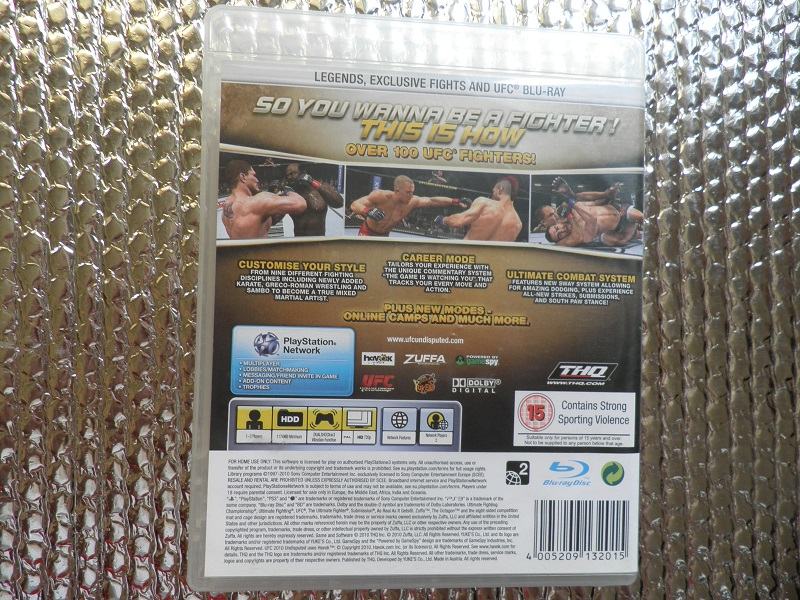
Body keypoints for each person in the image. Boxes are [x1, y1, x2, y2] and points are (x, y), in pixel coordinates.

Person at [349, 175, 467, 236]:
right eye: (408, 192)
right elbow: (354, 205)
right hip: (367, 231)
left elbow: (432, 201)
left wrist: (455, 201)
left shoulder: (412, 202)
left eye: (412, 192)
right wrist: (368, 211)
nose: (411, 195)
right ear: (397, 190)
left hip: (384, 235)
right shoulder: (381, 195)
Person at [543, 177, 643, 247]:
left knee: (641, 217)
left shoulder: (571, 211)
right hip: (620, 229)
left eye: (557, 228)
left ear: (558, 223)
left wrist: (609, 194)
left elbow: (596, 202)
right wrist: (572, 201)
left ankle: (635, 231)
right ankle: (634, 233)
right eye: (559, 235)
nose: (562, 230)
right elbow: (592, 220)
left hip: (619, 209)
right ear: (562, 239)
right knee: (607, 239)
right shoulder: (576, 236)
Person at [220, 160, 306, 239]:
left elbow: (257, 224)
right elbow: (300, 204)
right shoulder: (257, 201)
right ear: (243, 177)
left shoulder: (226, 208)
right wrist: (288, 190)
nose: (257, 180)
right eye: (254, 175)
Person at [436, 177, 523, 242]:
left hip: (469, 256)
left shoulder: (485, 203)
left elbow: (458, 221)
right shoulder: (518, 224)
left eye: (493, 191)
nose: (492, 195)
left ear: (500, 189)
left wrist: (443, 219)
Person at [284, 163, 344, 236]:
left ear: (303, 173)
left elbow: (339, 203)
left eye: (292, 173)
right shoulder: (291, 194)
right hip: (299, 240)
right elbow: (275, 219)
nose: (289, 177)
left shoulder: (321, 188)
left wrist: (312, 181)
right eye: (287, 175)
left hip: (319, 240)